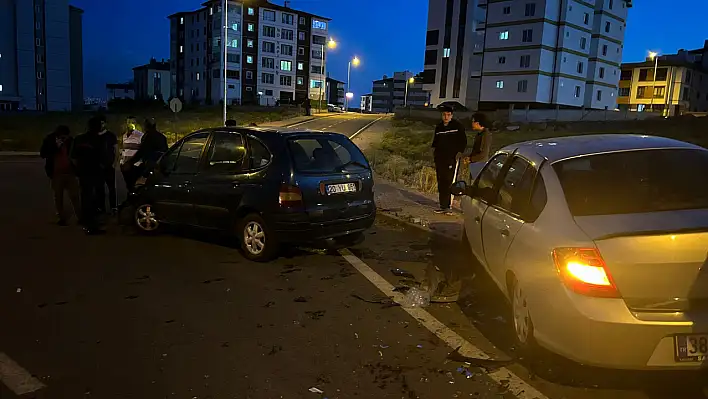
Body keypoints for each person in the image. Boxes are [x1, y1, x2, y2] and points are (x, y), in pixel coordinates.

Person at [71, 117, 109, 235]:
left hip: (84, 172)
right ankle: (93, 224)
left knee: (85, 196)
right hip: (95, 172)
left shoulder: (79, 139)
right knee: (96, 198)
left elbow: (73, 157)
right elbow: (104, 157)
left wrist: (78, 169)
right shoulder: (99, 140)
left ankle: (86, 221)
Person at [40, 125, 81, 226]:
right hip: (56, 173)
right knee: (58, 196)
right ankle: (61, 217)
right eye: (62, 137)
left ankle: (80, 216)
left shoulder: (71, 140)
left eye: (65, 137)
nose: (64, 139)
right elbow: (43, 154)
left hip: (70, 172)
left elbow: (76, 154)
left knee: (75, 195)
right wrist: (56, 146)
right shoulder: (49, 140)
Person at [431, 104, 467, 215]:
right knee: (441, 181)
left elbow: (463, 141)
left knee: (449, 181)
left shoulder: (457, 126)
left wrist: (458, 153)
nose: (446, 117)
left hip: (451, 158)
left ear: (451, 115)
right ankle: (442, 205)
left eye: (448, 115)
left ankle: (448, 206)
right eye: (444, 115)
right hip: (440, 158)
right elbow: (435, 143)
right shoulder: (439, 127)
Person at [96, 115, 118, 215]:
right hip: (98, 167)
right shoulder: (95, 135)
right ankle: (101, 207)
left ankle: (113, 207)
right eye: (99, 123)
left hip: (109, 166)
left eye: (102, 123)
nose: (101, 125)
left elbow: (116, 150)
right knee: (99, 188)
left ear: (105, 124)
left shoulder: (111, 135)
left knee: (111, 188)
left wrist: (114, 164)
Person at [462, 112, 493, 183]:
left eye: (473, 121)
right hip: (476, 164)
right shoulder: (480, 134)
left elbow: (483, 154)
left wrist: (470, 159)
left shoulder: (485, 135)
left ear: (478, 122)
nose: (472, 123)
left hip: (479, 164)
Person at [119, 116, 144, 192]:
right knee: (128, 186)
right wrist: (122, 162)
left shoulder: (140, 135)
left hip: (135, 165)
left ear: (136, 124)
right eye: (129, 122)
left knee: (134, 186)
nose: (130, 124)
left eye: (133, 122)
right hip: (125, 165)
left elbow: (142, 150)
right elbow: (124, 150)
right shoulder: (124, 135)